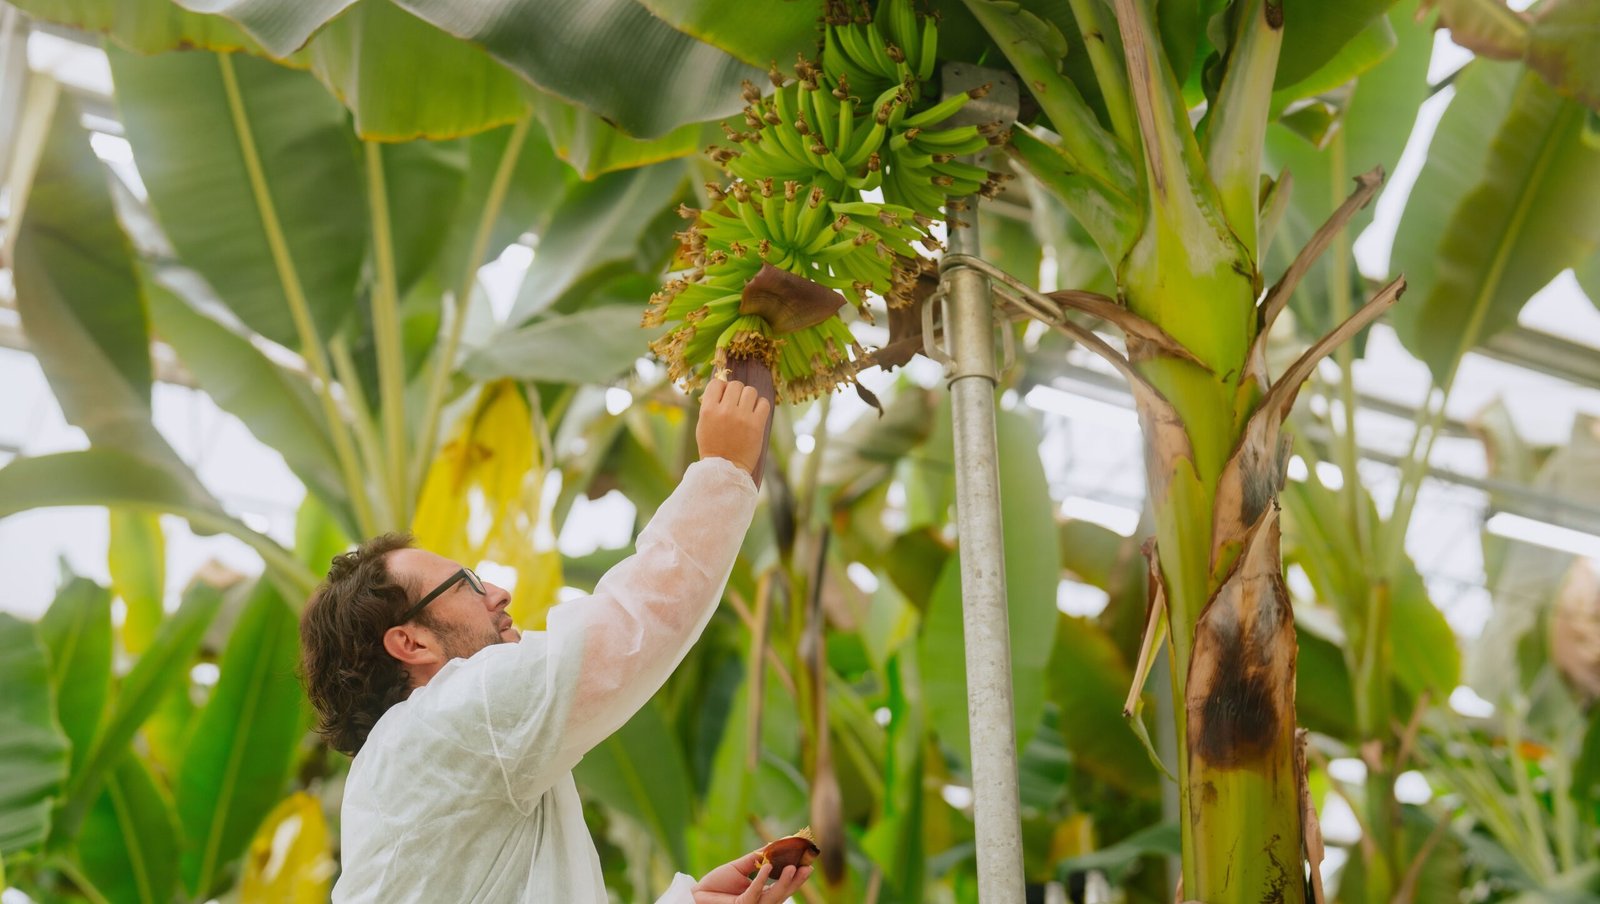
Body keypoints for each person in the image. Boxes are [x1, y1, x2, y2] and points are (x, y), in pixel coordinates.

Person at [299, 377, 810, 903]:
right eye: (467, 585)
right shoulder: (451, 718)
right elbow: (632, 626)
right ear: (411, 644)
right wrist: (723, 471)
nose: (498, 593)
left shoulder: (424, 764)